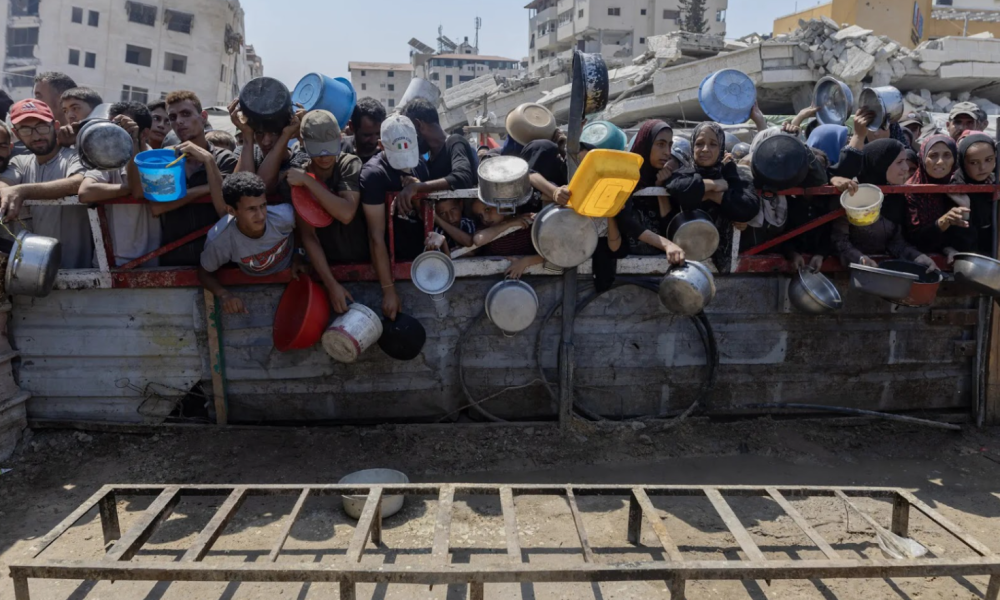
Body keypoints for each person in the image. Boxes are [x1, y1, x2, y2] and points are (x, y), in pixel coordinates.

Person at [288, 110, 366, 314]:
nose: (324, 156)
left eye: (329, 148)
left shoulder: (349, 163)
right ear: (303, 142)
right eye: (317, 149)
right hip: (326, 268)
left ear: (340, 138)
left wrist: (308, 181)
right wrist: (331, 284)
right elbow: (308, 236)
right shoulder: (297, 176)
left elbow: (346, 213)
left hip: (364, 262)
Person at [0, 99, 91, 269]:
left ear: (55, 126)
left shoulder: (76, 157)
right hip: (29, 276)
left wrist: (22, 191)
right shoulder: (20, 162)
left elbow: (78, 182)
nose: (36, 136)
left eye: (42, 126)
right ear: (16, 134)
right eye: (26, 130)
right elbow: (3, 184)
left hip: (77, 274)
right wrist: (7, 191)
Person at [153, 90, 237, 266]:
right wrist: (206, 189)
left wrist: (208, 160)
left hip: (219, 260)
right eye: (173, 117)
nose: (179, 122)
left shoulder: (225, 159)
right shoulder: (165, 159)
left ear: (203, 117)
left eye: (186, 114)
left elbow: (225, 209)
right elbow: (157, 208)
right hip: (173, 258)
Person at [665, 121, 760, 270]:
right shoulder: (683, 172)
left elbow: (748, 207)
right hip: (684, 255)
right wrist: (715, 185)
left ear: (721, 147)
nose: (705, 149)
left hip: (721, 260)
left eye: (713, 144)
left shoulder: (732, 174)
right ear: (692, 146)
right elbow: (679, 188)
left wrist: (713, 196)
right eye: (699, 143)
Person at [78, 101, 162, 267]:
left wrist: (133, 142)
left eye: (124, 127)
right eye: (114, 125)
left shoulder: (157, 160)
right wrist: (125, 189)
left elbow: (138, 190)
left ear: (144, 133)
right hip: (108, 261)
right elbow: (85, 192)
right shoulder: (107, 158)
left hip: (149, 260)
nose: (115, 133)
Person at [361, 115, 429, 320]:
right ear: (381, 145)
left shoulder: (420, 166)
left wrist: (418, 192)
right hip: (390, 265)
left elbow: (428, 215)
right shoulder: (373, 175)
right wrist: (388, 289)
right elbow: (376, 236)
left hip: (420, 264)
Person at [831, 139, 936, 270]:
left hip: (879, 274)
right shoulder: (853, 193)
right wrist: (859, 259)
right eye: (899, 162)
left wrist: (917, 257)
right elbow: (838, 241)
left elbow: (896, 243)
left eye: (905, 161)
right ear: (880, 164)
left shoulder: (895, 197)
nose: (906, 168)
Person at [199, 173, 294, 314]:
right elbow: (204, 273)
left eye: (263, 206)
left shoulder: (284, 217)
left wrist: (300, 254)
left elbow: (307, 234)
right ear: (231, 211)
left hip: (293, 280)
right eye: (251, 209)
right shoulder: (220, 240)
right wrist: (224, 295)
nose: (261, 215)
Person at [614, 120, 685, 263]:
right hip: (626, 262)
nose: (667, 152)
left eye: (669, 145)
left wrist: (660, 188)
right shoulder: (626, 175)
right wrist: (666, 244)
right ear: (646, 144)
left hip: (663, 259)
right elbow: (625, 220)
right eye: (660, 144)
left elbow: (669, 225)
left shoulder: (668, 177)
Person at [396, 98, 477, 213]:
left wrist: (417, 187)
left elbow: (462, 177)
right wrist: (415, 182)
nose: (410, 139)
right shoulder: (429, 156)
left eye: (410, 132)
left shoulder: (454, 142)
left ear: (419, 125)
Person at [904, 134, 974, 262]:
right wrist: (943, 222)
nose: (940, 161)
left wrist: (965, 209)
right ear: (923, 158)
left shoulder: (959, 187)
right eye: (933, 155)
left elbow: (969, 241)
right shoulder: (910, 190)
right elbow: (913, 240)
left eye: (947, 155)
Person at [950, 132, 998, 255]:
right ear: (962, 162)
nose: (983, 167)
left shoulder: (993, 181)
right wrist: (965, 209)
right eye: (974, 162)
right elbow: (961, 241)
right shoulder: (956, 187)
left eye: (988, 160)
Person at [470, 200, 541, 278]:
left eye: (487, 209)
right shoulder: (487, 229)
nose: (485, 218)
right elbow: (478, 239)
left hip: (534, 276)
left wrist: (525, 262)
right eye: (480, 216)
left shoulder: (526, 222)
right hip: (499, 277)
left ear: (502, 204)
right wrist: (508, 224)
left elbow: (551, 253)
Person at [343, 97, 386, 165]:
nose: (374, 141)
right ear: (352, 126)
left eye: (378, 134)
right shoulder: (338, 150)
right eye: (367, 135)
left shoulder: (388, 158)